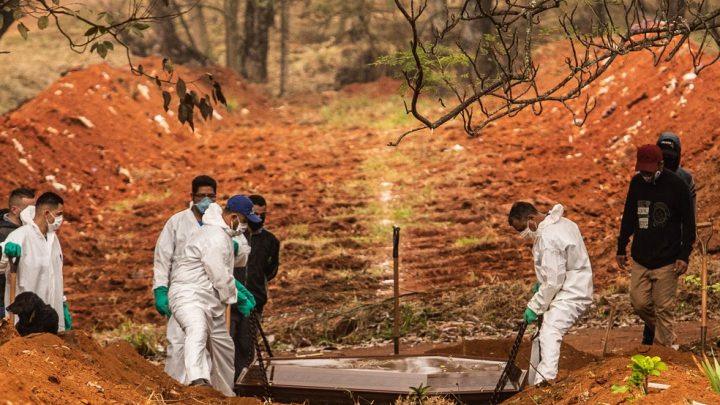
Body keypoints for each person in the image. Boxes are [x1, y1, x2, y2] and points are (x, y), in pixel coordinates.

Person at [168, 195, 261, 396]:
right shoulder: (215, 237)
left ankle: (225, 394)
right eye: (244, 222)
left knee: (224, 346)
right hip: (188, 294)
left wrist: (235, 290)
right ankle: (197, 381)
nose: (244, 227)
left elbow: (219, 273)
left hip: (209, 298)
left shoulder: (222, 235)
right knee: (197, 329)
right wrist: (236, 297)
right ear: (234, 217)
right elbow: (219, 275)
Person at [617, 144, 695, 348]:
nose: (645, 175)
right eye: (642, 171)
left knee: (664, 308)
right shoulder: (636, 184)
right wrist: (621, 246)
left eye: (649, 171)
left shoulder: (677, 186)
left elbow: (689, 223)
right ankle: (668, 337)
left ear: (660, 164)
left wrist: (684, 254)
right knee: (638, 302)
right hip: (641, 257)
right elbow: (629, 217)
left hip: (667, 259)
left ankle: (664, 354)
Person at [508, 202, 593, 385]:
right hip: (571, 283)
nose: (523, 234)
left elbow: (554, 281)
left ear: (531, 218)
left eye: (522, 228)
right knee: (543, 333)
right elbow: (557, 268)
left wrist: (535, 305)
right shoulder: (564, 223)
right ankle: (537, 379)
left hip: (572, 290)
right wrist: (542, 284)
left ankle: (545, 381)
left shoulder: (548, 238)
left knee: (550, 330)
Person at [153, 175, 218, 384]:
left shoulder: (218, 224)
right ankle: (175, 387)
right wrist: (160, 289)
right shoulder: (177, 222)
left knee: (207, 345)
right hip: (181, 293)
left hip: (209, 293)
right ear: (192, 196)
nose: (206, 201)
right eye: (201, 196)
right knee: (178, 343)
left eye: (211, 196)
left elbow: (234, 254)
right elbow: (163, 257)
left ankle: (202, 390)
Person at [636, 133, 698, 345]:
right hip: (649, 245)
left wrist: (684, 252)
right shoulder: (646, 175)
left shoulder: (685, 180)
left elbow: (689, 218)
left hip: (671, 247)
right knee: (644, 300)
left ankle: (656, 343)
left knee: (662, 299)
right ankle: (660, 336)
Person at [0, 192, 71, 332]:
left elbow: (54, 275)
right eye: (59, 214)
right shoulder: (20, 236)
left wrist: (62, 303)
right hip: (25, 321)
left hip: (50, 318)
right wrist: (4, 253)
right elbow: (1, 266)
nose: (60, 219)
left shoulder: (53, 239)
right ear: (46, 213)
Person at [231, 194, 280, 382]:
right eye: (255, 214)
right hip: (231, 301)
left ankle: (241, 386)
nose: (259, 219)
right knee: (226, 344)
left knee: (246, 347)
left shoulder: (271, 241)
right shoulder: (235, 236)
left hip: (254, 303)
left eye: (263, 215)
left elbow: (271, 270)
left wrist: (256, 288)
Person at [0, 187, 35, 318]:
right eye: (29, 209)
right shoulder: (3, 233)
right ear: (15, 210)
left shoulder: (30, 231)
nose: (33, 213)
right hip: (4, 300)